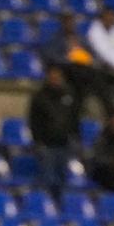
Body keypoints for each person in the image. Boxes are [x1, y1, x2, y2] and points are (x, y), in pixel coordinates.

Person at [28, 64, 80, 201]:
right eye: (53, 76)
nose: (55, 79)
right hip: (47, 144)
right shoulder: (39, 97)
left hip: (65, 143)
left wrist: (75, 137)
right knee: (48, 178)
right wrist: (38, 141)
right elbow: (33, 121)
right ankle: (48, 205)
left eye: (58, 76)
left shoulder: (70, 95)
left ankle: (62, 205)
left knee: (64, 178)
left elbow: (74, 118)